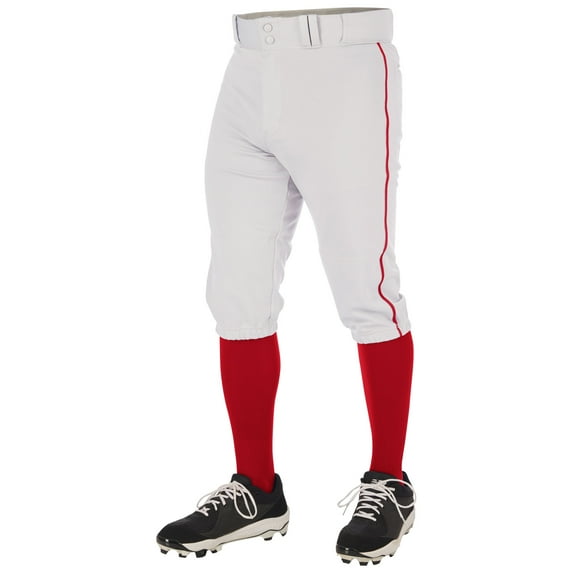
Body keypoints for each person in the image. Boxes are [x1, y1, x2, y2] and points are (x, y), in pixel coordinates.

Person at [156, 7, 416, 565]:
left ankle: (390, 481)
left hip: (342, 65)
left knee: (365, 286)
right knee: (238, 293)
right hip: (248, 66)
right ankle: (257, 489)